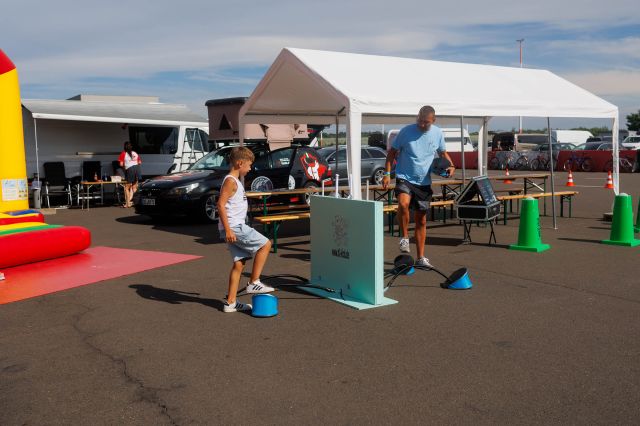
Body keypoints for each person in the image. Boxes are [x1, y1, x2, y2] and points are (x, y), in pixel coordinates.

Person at [382, 105, 455, 267]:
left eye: (426, 122)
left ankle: (421, 257)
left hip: (424, 181)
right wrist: (387, 175)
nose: (422, 125)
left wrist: (451, 166)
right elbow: (392, 153)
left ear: (433, 121)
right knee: (403, 204)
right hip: (404, 177)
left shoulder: (437, 133)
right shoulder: (406, 132)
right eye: (420, 121)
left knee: (421, 220)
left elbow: (443, 154)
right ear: (417, 117)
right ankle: (404, 238)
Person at [217, 147, 275, 313]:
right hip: (234, 227)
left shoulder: (235, 181)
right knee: (265, 244)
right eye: (249, 165)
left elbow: (231, 201)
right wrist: (228, 230)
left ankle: (230, 303)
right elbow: (220, 204)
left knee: (239, 264)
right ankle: (254, 283)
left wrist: (249, 195)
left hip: (232, 227)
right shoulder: (230, 181)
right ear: (239, 163)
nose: (250, 168)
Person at [118, 141, 142, 208]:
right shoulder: (135, 153)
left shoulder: (123, 153)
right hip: (137, 169)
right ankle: (135, 202)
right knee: (134, 187)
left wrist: (125, 168)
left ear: (124, 147)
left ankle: (128, 203)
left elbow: (121, 164)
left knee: (126, 187)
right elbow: (139, 162)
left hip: (130, 170)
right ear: (131, 147)